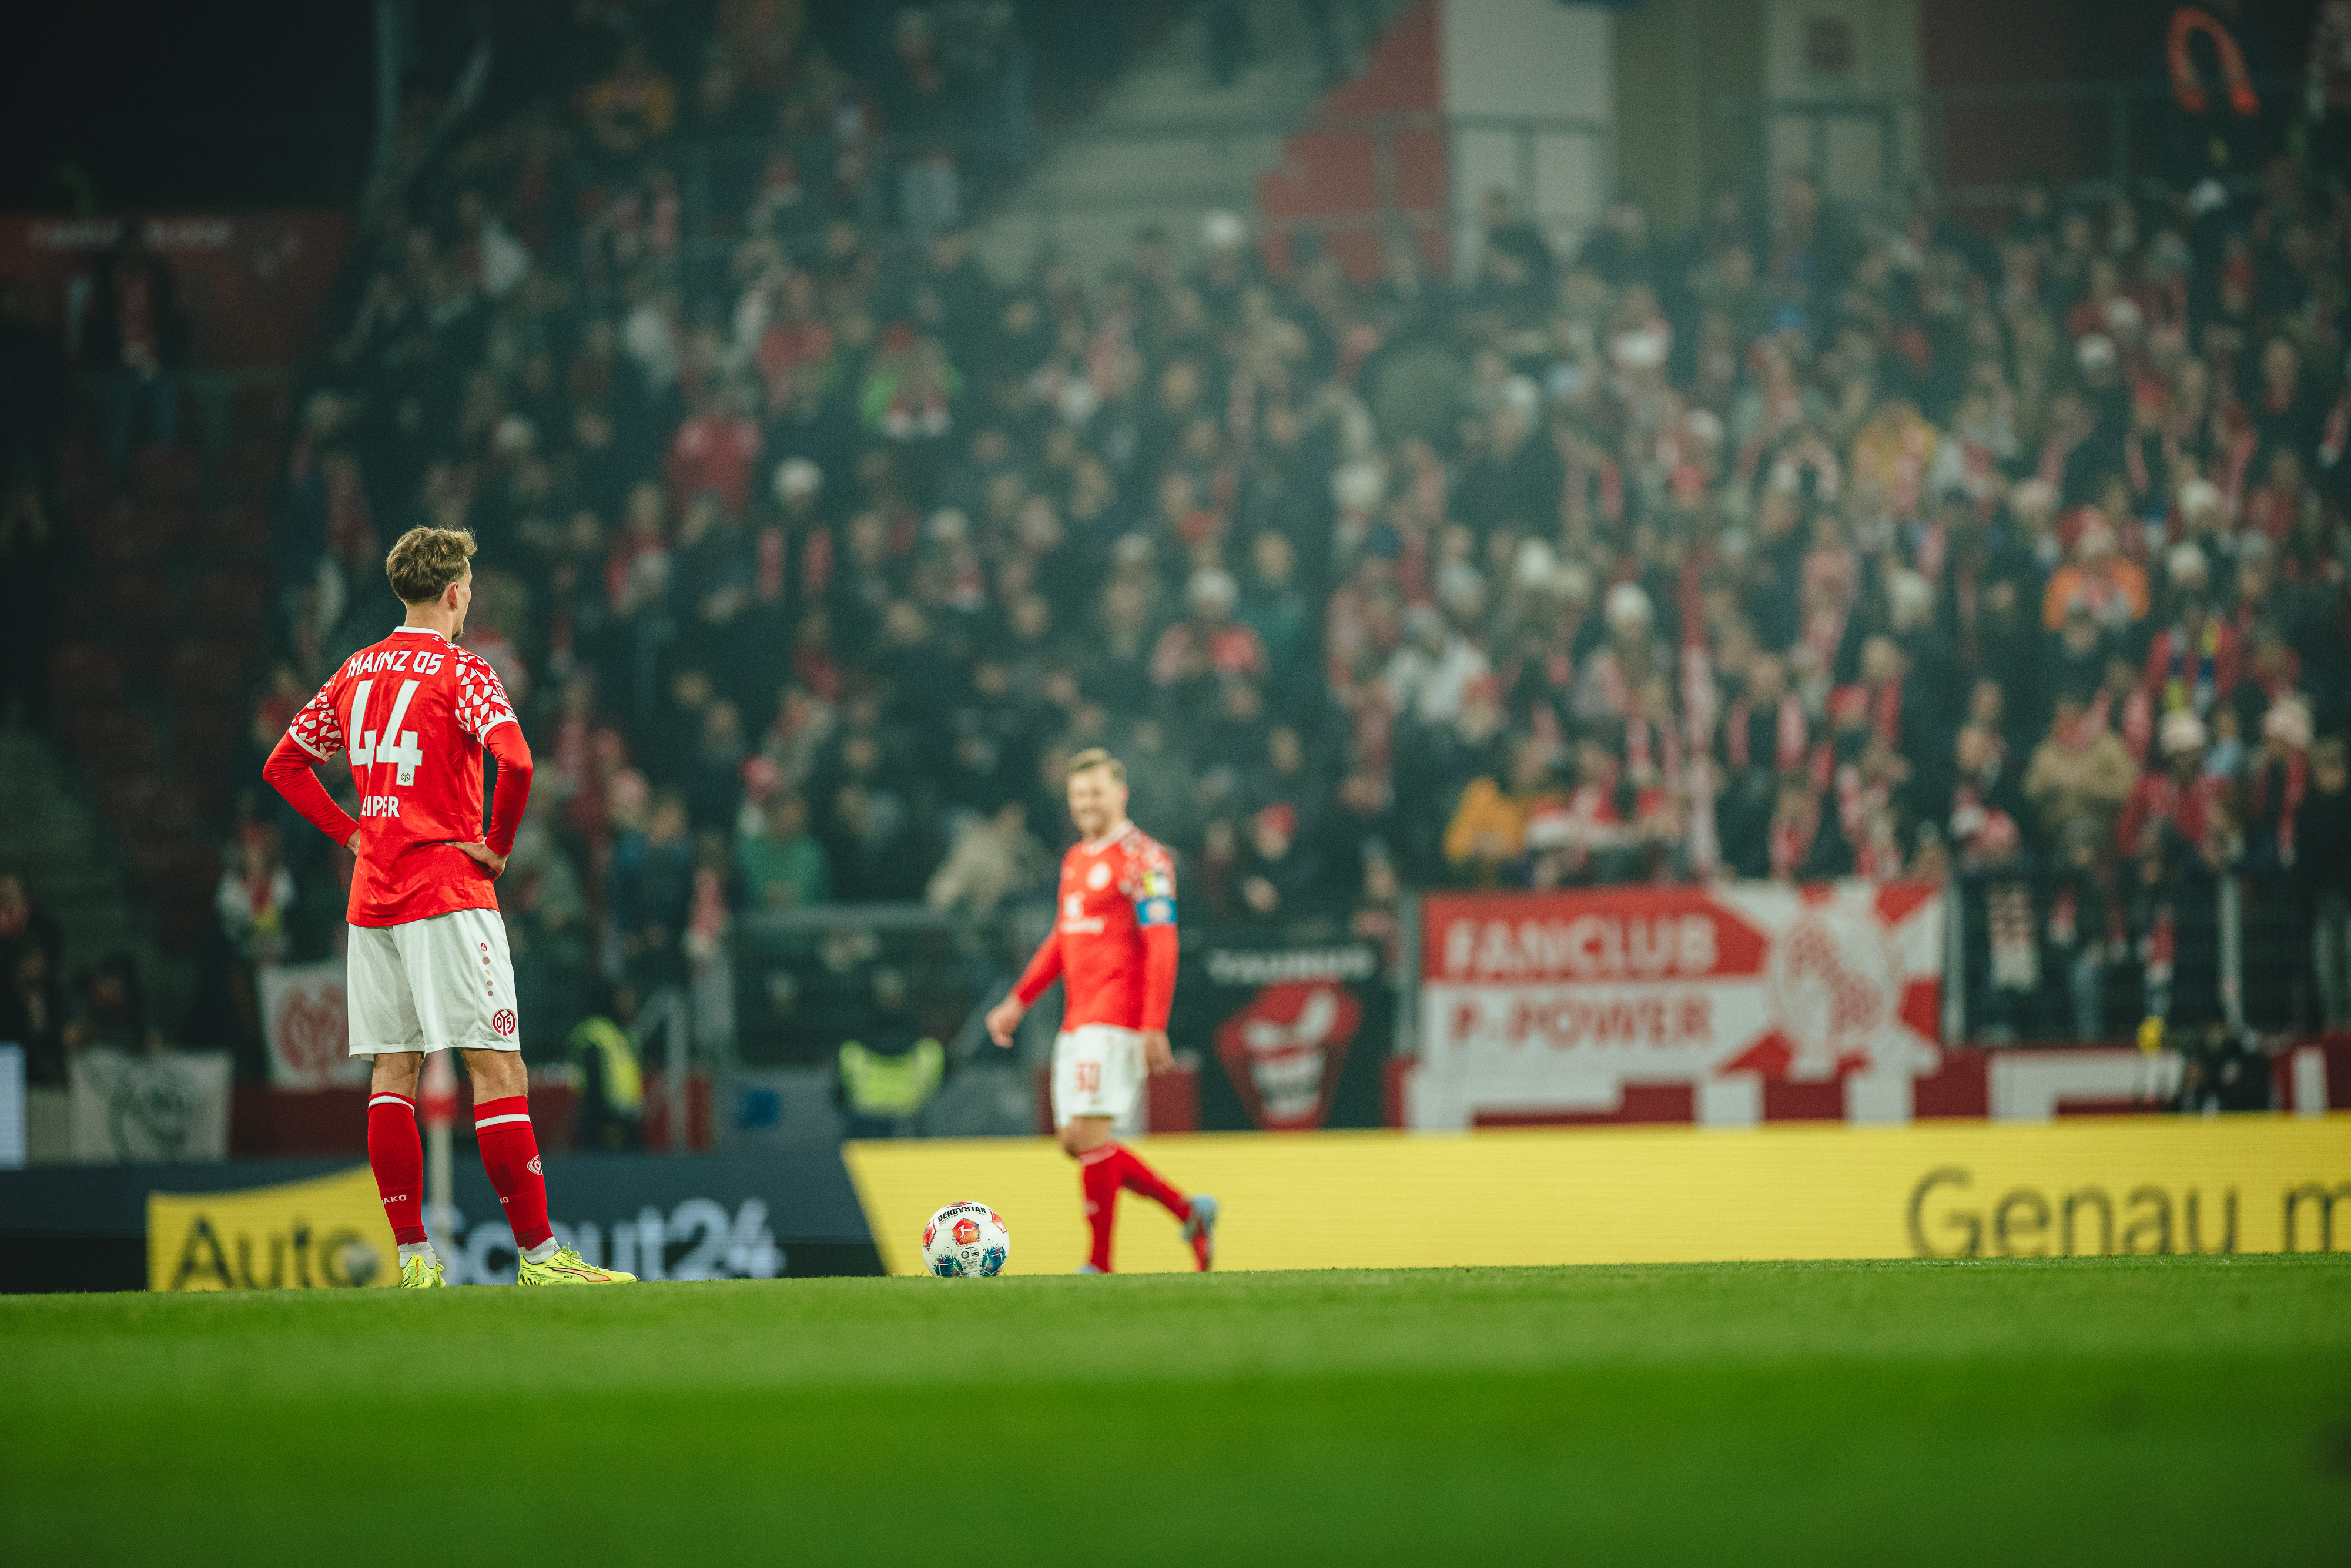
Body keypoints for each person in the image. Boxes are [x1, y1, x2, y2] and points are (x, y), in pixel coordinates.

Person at [263, 525, 633, 1288]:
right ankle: (539, 1258)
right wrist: (496, 844)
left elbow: (285, 764)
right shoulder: (462, 669)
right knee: (496, 1068)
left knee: (393, 1071)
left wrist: (352, 834)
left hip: (374, 900)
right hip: (447, 891)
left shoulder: (356, 670)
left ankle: (413, 1259)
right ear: (457, 592)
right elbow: (517, 761)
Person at [985, 748, 1218, 1274]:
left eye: (1096, 792)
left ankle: (1099, 1265)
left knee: (1090, 1138)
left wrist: (1154, 1023)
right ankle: (1190, 1212)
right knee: (1075, 1142)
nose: (1087, 803)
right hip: (1077, 1020)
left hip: (1116, 1018)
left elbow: (1163, 943)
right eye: (1078, 795)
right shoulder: (1076, 858)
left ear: (1121, 794)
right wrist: (1018, 1001)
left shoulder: (1145, 860)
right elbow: (1062, 939)